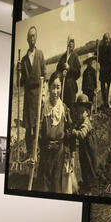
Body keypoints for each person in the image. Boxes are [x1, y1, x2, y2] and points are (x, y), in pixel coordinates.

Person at [36, 71, 75, 193]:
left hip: (59, 151)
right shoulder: (42, 109)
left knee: (56, 182)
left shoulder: (64, 109)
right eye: (53, 87)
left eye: (58, 87)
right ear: (48, 88)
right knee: (43, 182)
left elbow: (70, 133)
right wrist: (35, 150)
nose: (55, 91)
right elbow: (36, 133)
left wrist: (72, 155)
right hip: (45, 151)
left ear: (61, 88)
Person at [19, 26, 46, 159]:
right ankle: (30, 153)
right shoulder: (24, 59)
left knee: (37, 126)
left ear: (37, 37)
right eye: (30, 36)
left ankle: (37, 152)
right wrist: (18, 71)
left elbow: (45, 74)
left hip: (38, 94)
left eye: (34, 36)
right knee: (28, 127)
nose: (32, 38)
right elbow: (22, 82)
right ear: (27, 39)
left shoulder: (40, 54)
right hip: (28, 96)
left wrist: (43, 94)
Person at [71, 94, 98, 194]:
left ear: (87, 112)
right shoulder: (82, 120)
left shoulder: (86, 122)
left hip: (88, 145)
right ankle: (86, 181)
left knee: (88, 163)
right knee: (83, 163)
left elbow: (82, 134)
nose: (79, 114)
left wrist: (74, 132)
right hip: (84, 146)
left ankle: (90, 185)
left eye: (82, 112)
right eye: (78, 112)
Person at [57, 35, 81, 114]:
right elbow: (58, 69)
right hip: (63, 85)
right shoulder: (63, 57)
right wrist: (61, 73)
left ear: (74, 46)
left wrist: (69, 68)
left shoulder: (75, 56)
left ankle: (72, 123)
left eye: (72, 44)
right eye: (69, 43)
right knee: (63, 103)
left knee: (71, 105)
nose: (71, 45)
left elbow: (78, 72)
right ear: (67, 45)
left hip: (71, 86)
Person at [98, 32, 111, 109]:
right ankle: (104, 102)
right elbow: (98, 58)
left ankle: (108, 102)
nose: (106, 40)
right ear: (103, 39)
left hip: (109, 71)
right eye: (105, 39)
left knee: (109, 87)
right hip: (102, 71)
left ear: (109, 39)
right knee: (102, 88)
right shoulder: (100, 48)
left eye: (107, 39)